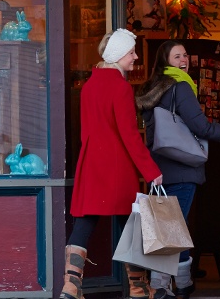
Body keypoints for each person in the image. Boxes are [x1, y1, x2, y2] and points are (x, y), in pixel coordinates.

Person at [135, 40, 220, 299]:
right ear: (166, 61)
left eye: (185, 55)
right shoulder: (181, 87)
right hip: (182, 168)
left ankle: (174, 284)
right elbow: (203, 129)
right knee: (172, 229)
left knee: (168, 226)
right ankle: (167, 286)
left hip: (158, 169)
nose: (184, 59)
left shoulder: (154, 88)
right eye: (177, 56)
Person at [61, 28, 167, 299]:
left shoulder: (89, 86)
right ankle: (139, 288)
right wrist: (151, 171)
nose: (135, 58)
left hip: (91, 164)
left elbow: (87, 131)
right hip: (117, 166)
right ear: (119, 54)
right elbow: (130, 135)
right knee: (130, 225)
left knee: (84, 223)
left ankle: (71, 286)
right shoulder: (120, 87)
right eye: (131, 52)